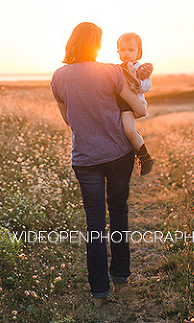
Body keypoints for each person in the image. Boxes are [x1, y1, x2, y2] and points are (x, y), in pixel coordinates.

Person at [51, 22, 147, 304]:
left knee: (94, 222)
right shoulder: (111, 72)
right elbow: (139, 109)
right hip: (118, 154)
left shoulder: (58, 77)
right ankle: (120, 274)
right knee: (118, 211)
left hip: (84, 159)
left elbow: (68, 119)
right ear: (96, 45)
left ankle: (99, 291)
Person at [116, 32, 155, 176]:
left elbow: (147, 86)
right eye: (123, 49)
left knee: (129, 131)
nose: (126, 53)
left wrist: (135, 79)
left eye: (131, 50)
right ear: (118, 51)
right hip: (117, 105)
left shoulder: (141, 68)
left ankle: (145, 158)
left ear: (139, 52)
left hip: (129, 106)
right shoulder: (117, 68)